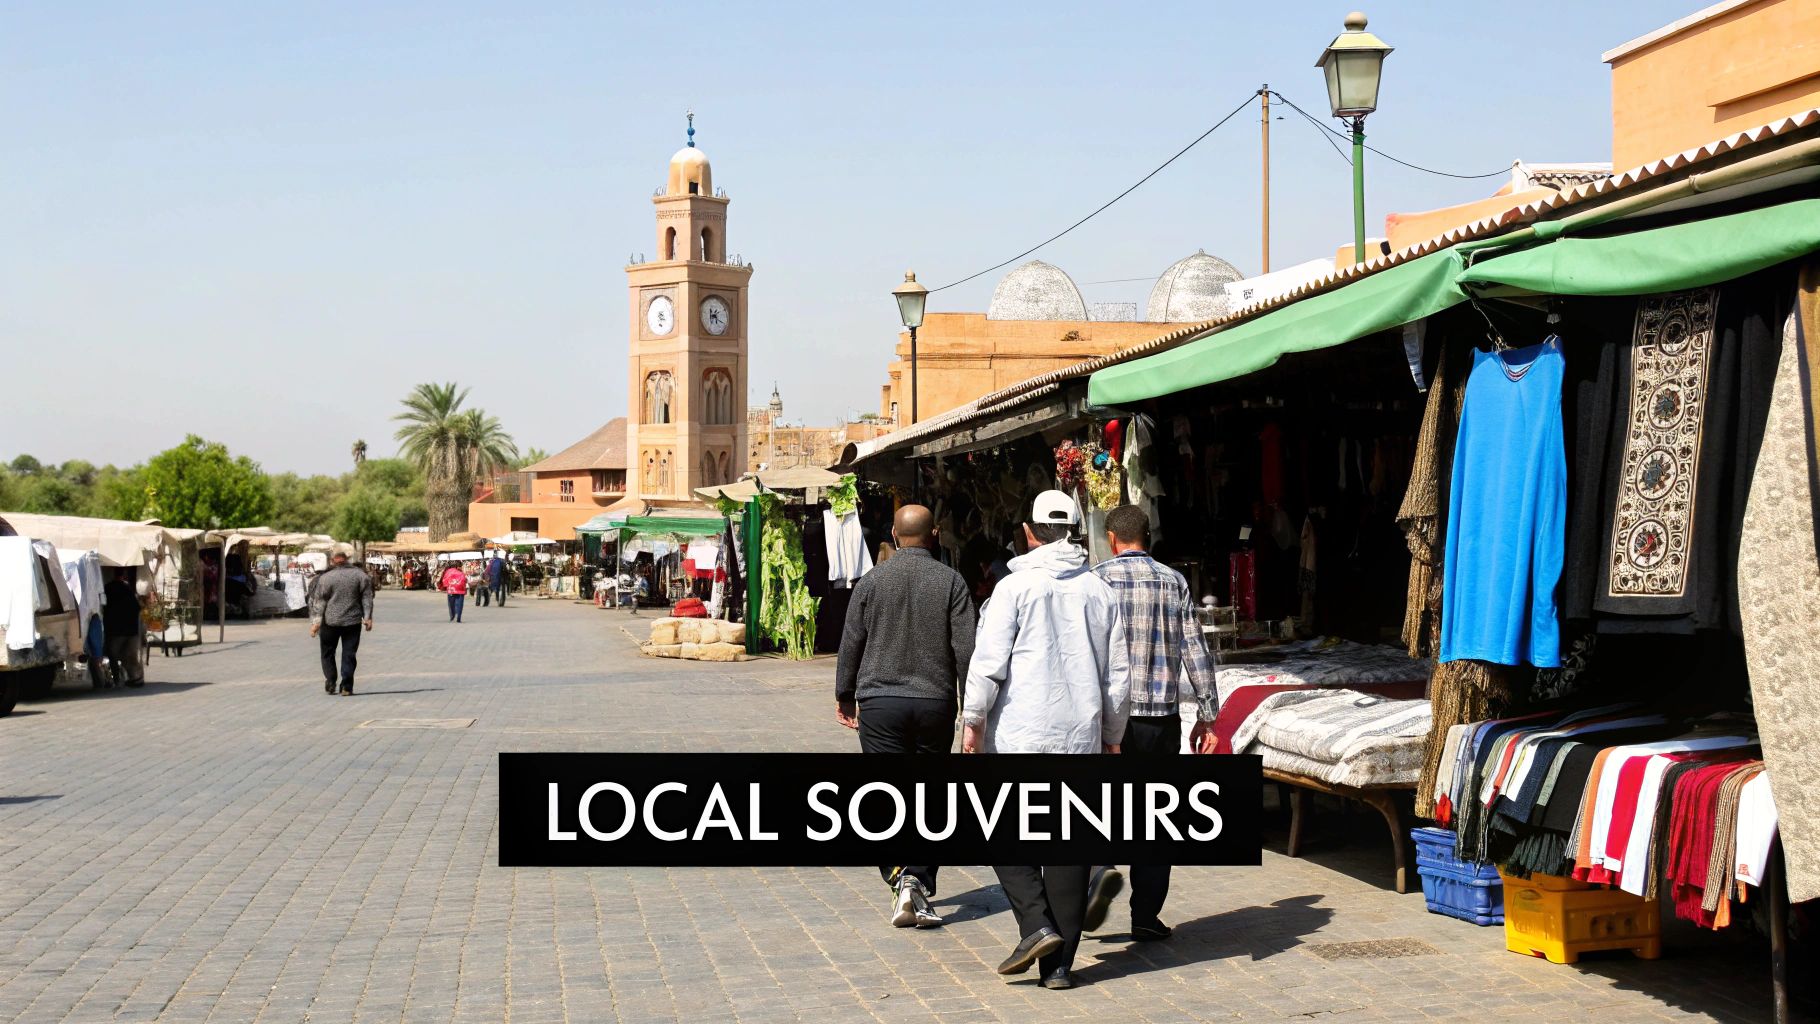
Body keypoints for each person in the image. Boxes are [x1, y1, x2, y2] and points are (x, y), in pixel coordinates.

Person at [962, 489, 1130, 990]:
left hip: (1019, 734)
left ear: (1030, 534)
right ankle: (1058, 966)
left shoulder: (1013, 590)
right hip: (1079, 735)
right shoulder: (1099, 592)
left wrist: (971, 725)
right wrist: (1112, 736)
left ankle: (1036, 925)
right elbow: (1116, 676)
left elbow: (987, 667)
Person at [1082, 504, 1221, 942]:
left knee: (1097, 808)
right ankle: (1145, 915)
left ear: (1111, 538)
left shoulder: (1095, 581)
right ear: (1147, 537)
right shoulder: (1173, 580)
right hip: (1160, 720)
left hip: (1111, 722)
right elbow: (1195, 649)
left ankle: (1095, 875)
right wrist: (1208, 714)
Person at [835, 504, 976, 930]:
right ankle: (918, 876)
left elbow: (851, 640)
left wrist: (844, 694)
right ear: (934, 534)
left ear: (895, 535)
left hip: (880, 704)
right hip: (934, 703)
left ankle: (898, 876)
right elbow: (967, 650)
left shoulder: (872, 582)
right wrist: (971, 708)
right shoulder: (952, 582)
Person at [308, 544, 374, 696]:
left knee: (327, 653)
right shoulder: (360, 575)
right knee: (349, 654)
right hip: (352, 622)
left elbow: (319, 603)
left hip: (330, 622)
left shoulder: (325, 578)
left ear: (332, 560)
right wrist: (368, 617)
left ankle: (331, 681)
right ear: (347, 559)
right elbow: (367, 598)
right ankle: (346, 686)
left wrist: (315, 624)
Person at [101, 568, 145, 688]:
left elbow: (104, 608)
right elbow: (137, 607)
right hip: (131, 629)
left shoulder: (107, 588)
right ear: (123, 575)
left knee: (112, 654)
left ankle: (117, 679)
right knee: (130, 655)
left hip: (116, 630)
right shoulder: (128, 589)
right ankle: (136, 678)